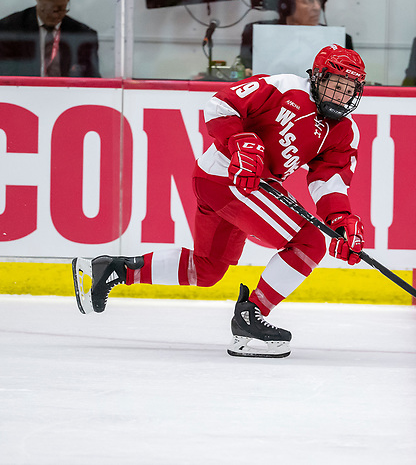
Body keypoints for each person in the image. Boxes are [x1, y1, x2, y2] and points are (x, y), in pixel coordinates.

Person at [72, 44, 366, 359]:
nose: (340, 95)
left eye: (348, 89)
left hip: (233, 183)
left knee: (207, 269)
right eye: (335, 84)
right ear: (317, 77)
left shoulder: (345, 132)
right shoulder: (283, 88)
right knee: (308, 242)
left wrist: (341, 218)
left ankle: (110, 271)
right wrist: (240, 141)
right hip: (230, 177)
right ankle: (250, 317)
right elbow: (220, 105)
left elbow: (328, 179)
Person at [240, 0, 353, 74]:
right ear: (287, 6)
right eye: (307, 1)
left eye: (319, 2)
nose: (317, 7)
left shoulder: (342, 41)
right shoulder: (255, 35)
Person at [0, 0, 99, 77]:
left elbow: (91, 78)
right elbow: (6, 76)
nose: (55, 15)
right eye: (52, 10)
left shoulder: (83, 35)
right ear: (38, 0)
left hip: (68, 96)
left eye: (61, 9)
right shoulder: (10, 29)